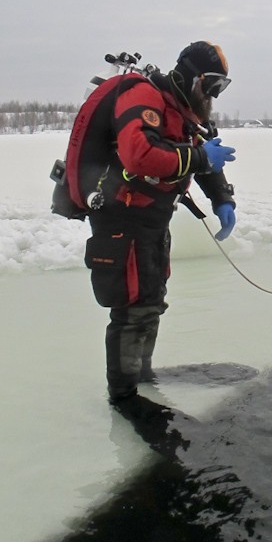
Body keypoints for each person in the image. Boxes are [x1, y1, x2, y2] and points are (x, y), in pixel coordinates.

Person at [83, 40, 237, 400]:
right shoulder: (144, 98)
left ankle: (141, 373)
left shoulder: (184, 110)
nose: (213, 93)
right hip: (122, 218)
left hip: (151, 220)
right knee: (133, 305)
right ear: (189, 75)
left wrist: (221, 198)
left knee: (151, 299)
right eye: (211, 83)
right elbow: (140, 156)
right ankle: (124, 394)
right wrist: (199, 158)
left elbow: (203, 153)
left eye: (221, 87)